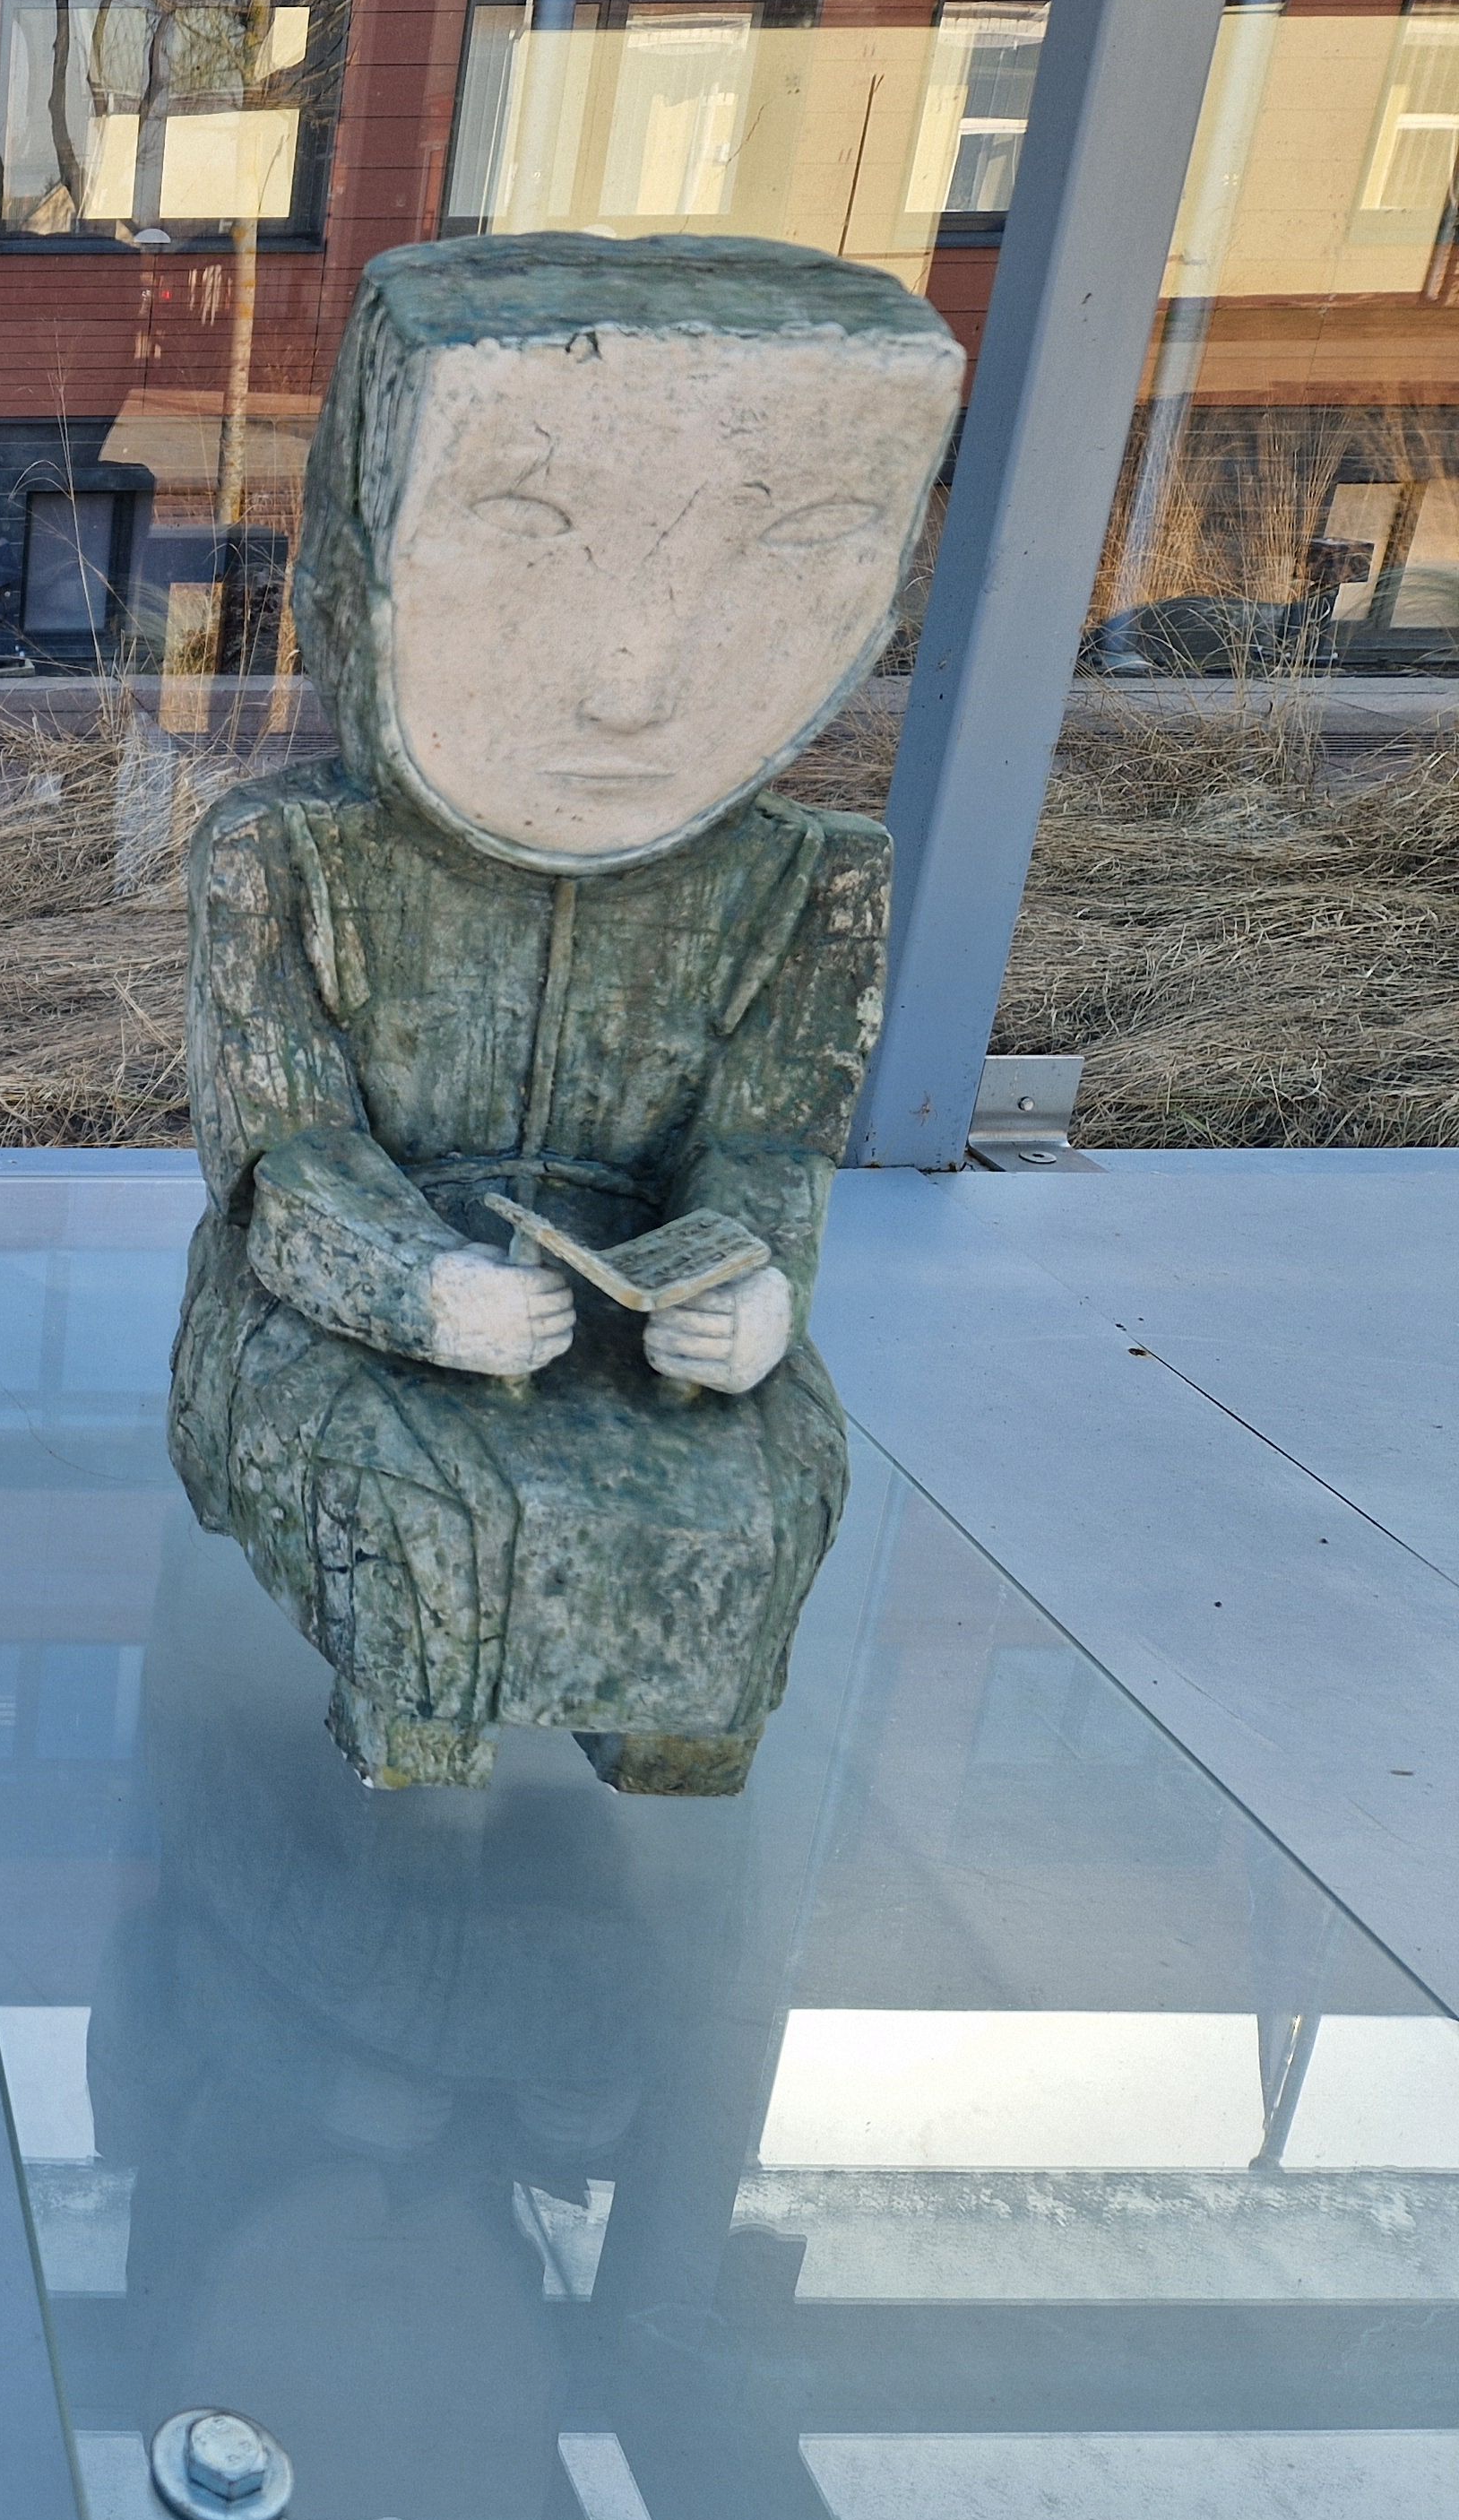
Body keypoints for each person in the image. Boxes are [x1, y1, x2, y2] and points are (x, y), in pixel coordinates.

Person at [169, 234, 963, 1795]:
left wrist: (755, 1288)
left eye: (797, 546)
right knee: (420, 1509)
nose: (631, 685)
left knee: (760, 1491)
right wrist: (416, 1288)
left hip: (646, 1307)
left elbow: (769, 1146)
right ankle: (415, 1738)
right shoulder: (291, 857)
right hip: (376, 1304)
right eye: (530, 535)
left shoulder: (808, 881)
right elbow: (287, 1154)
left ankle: (675, 1744)